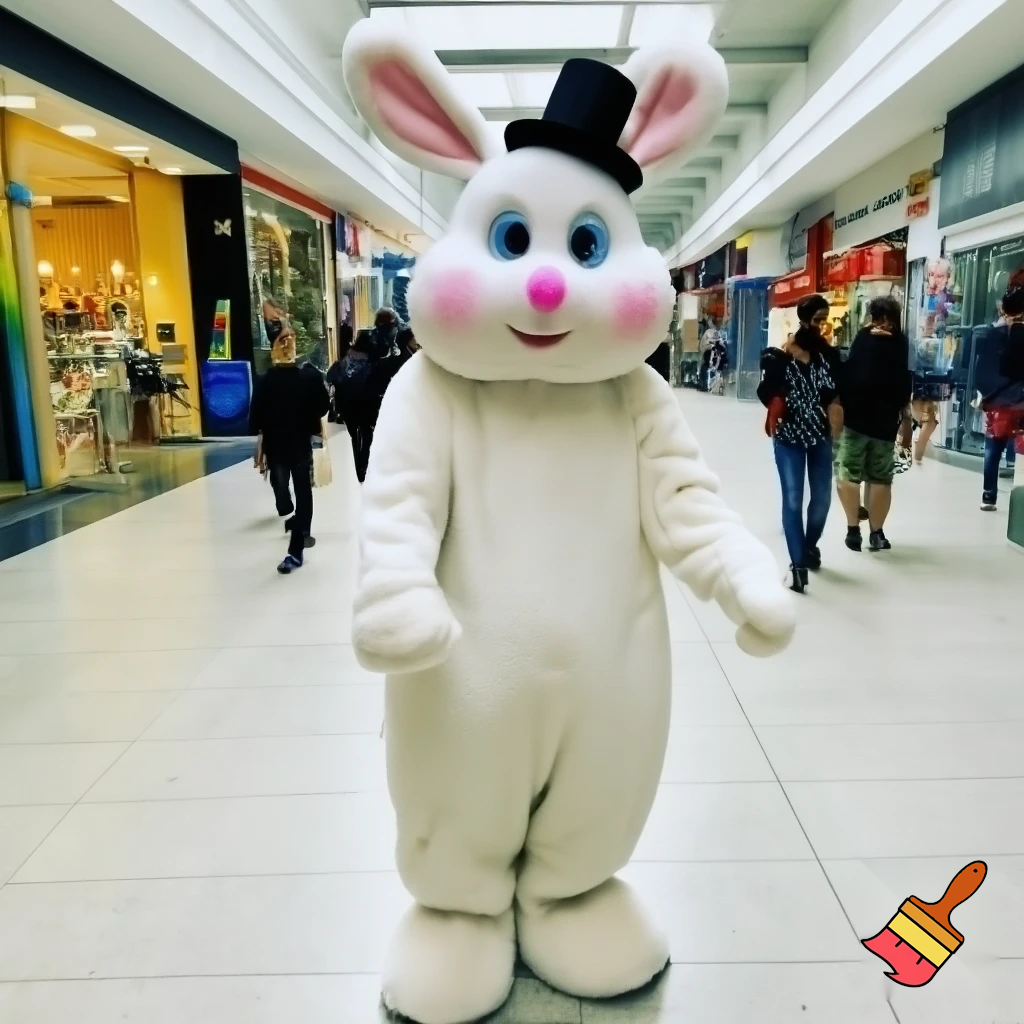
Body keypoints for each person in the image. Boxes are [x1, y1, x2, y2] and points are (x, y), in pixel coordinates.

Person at [759, 313, 841, 593]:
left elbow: (832, 396)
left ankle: (806, 548)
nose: (787, 343)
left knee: (821, 499)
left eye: (791, 341)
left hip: (819, 436)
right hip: (789, 438)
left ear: (801, 346)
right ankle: (798, 565)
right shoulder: (781, 364)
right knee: (793, 500)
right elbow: (764, 391)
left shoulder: (822, 365)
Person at [250, 312, 330, 574]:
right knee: (285, 486)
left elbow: (321, 406)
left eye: (291, 338)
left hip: (293, 443)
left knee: (300, 488)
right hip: (282, 443)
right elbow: (257, 414)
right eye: (284, 339)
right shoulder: (275, 379)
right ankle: (294, 521)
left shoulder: (302, 377)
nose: (288, 343)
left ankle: (297, 544)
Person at [835, 296, 912, 552]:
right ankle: (877, 534)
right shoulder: (900, 343)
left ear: (872, 315)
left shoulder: (863, 338)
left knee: (849, 473)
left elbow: (849, 375)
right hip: (885, 422)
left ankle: (852, 529)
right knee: (880, 479)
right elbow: (904, 382)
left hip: (855, 419)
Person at [977, 285, 1024, 511]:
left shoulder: (993, 334)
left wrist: (985, 394)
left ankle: (989, 496)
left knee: (992, 449)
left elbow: (982, 370)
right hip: (1022, 401)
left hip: (998, 402)